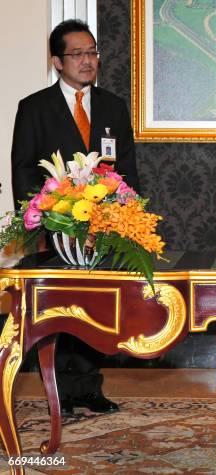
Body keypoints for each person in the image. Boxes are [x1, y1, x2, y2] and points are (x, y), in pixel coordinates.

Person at [11, 19, 140, 416]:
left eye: (93, 52)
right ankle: (61, 391)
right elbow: (24, 172)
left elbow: (127, 170)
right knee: (63, 307)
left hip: (103, 227)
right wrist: (50, 219)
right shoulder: (34, 108)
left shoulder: (113, 107)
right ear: (57, 61)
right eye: (77, 54)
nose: (88, 61)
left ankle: (89, 388)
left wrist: (121, 217)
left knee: (96, 308)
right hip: (59, 227)